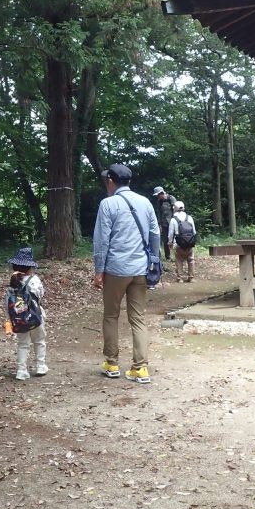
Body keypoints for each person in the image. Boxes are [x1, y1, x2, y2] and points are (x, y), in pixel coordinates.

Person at [92, 163, 161, 384]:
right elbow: (155, 233)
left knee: (111, 315)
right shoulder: (145, 202)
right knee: (138, 318)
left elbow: (102, 240)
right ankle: (140, 368)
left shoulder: (108, 204)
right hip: (140, 269)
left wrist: (99, 271)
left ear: (110, 181)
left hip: (116, 269)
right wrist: (154, 262)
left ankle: (112, 364)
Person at [6, 247, 47, 381]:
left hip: (19, 319)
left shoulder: (13, 282)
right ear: (30, 267)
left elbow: (7, 303)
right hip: (35, 317)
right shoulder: (35, 280)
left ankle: (21, 370)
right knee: (39, 341)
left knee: (23, 344)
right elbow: (40, 295)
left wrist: (9, 319)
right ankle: (41, 366)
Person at [168, 200, 197, 282]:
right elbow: (194, 232)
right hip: (189, 243)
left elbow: (170, 233)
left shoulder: (173, 220)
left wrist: (170, 243)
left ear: (174, 208)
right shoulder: (189, 217)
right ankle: (191, 277)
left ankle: (180, 278)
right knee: (191, 260)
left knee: (179, 260)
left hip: (178, 244)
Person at [152, 186, 177, 261]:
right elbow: (159, 213)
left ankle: (177, 256)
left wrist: (175, 221)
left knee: (175, 239)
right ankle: (168, 256)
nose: (157, 196)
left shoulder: (171, 198)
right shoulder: (159, 202)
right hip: (164, 223)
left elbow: (176, 210)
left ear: (161, 193)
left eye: (158, 195)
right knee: (165, 240)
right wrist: (159, 224)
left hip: (173, 222)